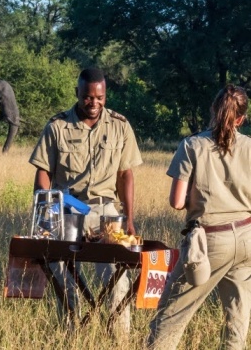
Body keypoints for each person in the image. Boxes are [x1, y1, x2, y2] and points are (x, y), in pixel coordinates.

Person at [29, 68, 143, 337]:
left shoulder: (120, 125)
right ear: (77, 94)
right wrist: (44, 212)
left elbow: (126, 174)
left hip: (106, 212)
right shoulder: (57, 126)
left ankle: (120, 338)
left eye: (99, 97)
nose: (94, 103)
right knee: (62, 275)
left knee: (117, 278)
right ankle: (71, 334)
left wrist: (129, 217)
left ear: (105, 95)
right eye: (87, 97)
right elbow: (43, 171)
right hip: (66, 208)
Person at [148, 84, 251, 350]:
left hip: (209, 241)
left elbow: (177, 201)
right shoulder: (250, 147)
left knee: (171, 314)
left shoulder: (192, 145)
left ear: (213, 110)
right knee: (236, 322)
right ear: (241, 118)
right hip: (246, 238)